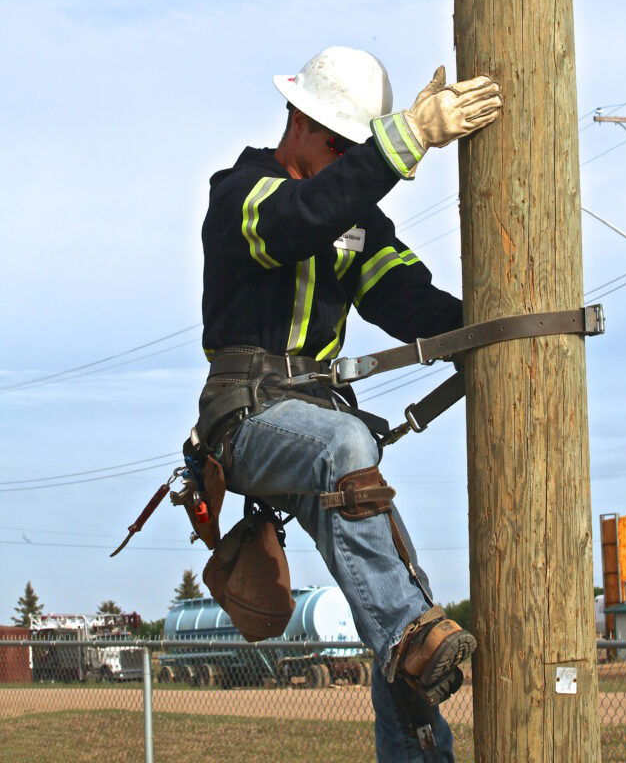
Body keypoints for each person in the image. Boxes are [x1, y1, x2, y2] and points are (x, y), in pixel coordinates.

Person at [198, 46, 501, 761]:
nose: (344, 161)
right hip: (247, 419)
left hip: (320, 427)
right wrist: (410, 139)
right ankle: (408, 639)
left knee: (403, 593)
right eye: (338, 144)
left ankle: (419, 734)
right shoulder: (242, 192)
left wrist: (500, 333)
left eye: (354, 149)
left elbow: (406, 297)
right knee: (347, 450)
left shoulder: (353, 218)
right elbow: (299, 220)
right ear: (298, 120)